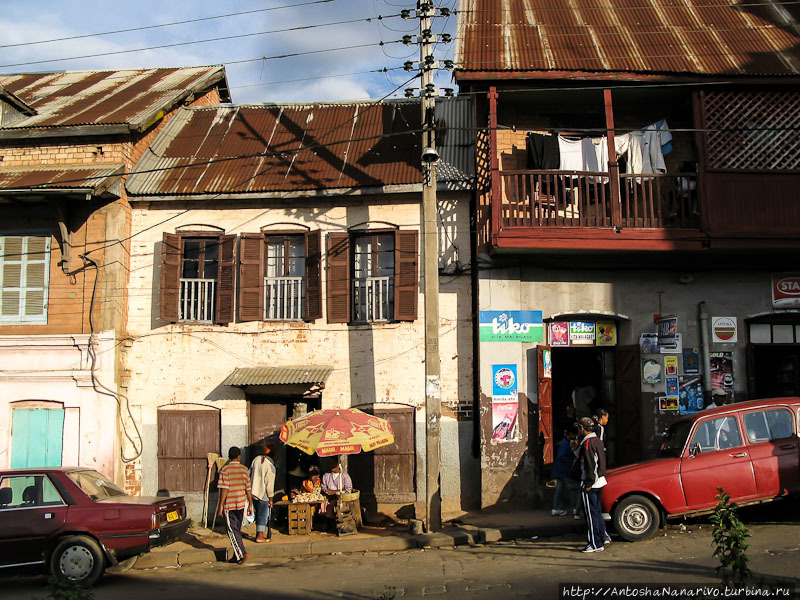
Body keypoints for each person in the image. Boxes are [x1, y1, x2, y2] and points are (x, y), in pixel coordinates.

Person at [577, 417, 610, 553]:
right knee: (596, 512)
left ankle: (595, 543)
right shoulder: (597, 441)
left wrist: (589, 483)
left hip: (592, 482)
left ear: (582, 429)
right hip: (600, 480)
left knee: (591, 515)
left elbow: (591, 466)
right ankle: (603, 536)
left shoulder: (588, 443)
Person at [217, 446, 253, 564]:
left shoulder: (225, 470)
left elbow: (225, 489)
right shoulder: (244, 470)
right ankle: (235, 556)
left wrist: (221, 506)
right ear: (239, 456)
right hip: (241, 504)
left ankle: (243, 553)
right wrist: (250, 505)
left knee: (232, 531)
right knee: (236, 530)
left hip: (229, 505)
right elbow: (248, 488)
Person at [249, 441, 276, 543]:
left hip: (253, 491)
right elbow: (270, 485)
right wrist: (271, 499)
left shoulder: (256, 460)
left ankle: (258, 534)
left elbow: (249, 473)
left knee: (259, 513)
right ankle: (260, 536)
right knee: (263, 514)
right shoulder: (270, 466)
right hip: (263, 493)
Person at [551, 430, 581, 519]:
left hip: (560, 470)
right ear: (569, 434)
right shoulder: (565, 444)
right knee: (573, 489)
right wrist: (571, 463)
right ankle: (575, 508)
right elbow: (562, 456)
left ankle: (556, 508)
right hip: (564, 470)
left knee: (560, 489)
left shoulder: (564, 443)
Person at [321, 462, 353, 530]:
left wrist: (335, 492)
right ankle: (326, 521)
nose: (332, 467)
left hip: (341, 496)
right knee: (323, 502)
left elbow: (348, 488)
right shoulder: (326, 475)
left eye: (334, 465)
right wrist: (327, 491)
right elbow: (323, 487)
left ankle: (332, 521)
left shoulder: (344, 475)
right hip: (329, 496)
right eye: (331, 465)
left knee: (333, 504)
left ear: (338, 465)